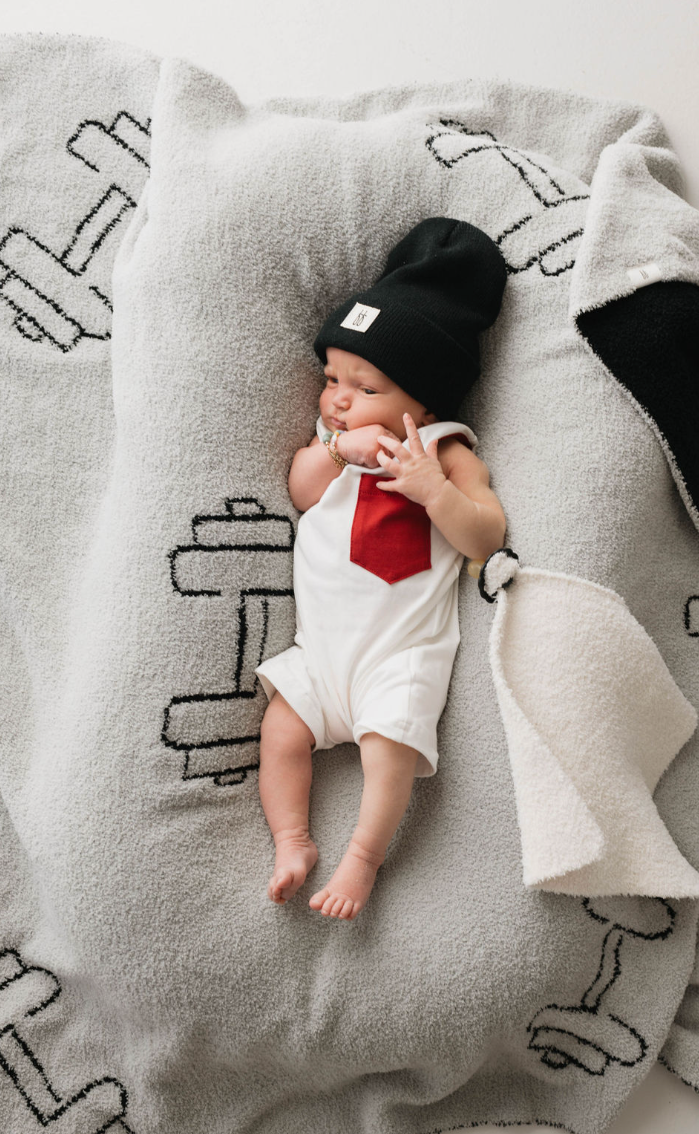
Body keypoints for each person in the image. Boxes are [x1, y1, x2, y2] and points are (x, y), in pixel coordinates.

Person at [255, 217, 507, 920]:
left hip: (399, 656)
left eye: (363, 387)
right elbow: (303, 493)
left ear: (424, 399)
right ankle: (293, 840)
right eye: (332, 376)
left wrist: (434, 491)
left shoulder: (445, 449)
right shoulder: (329, 441)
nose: (337, 397)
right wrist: (337, 450)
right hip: (320, 650)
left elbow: (484, 535)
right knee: (280, 731)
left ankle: (362, 858)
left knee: (388, 750)